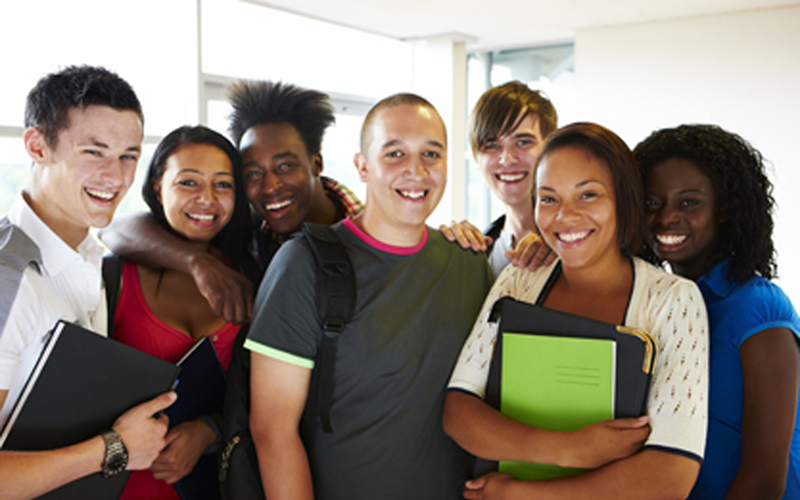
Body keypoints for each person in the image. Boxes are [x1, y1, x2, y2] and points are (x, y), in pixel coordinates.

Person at [245, 93, 493, 500]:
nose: (416, 171)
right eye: (394, 154)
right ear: (362, 166)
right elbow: (272, 430)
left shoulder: (469, 264)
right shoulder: (303, 264)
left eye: (431, 154)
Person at [444, 122, 709, 499]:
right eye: (549, 198)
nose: (565, 216)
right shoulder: (518, 281)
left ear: (624, 199)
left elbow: (671, 474)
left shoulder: (673, 300)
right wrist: (568, 448)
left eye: (587, 195)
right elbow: (459, 410)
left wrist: (523, 495)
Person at [0, 65, 175, 500]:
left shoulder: (89, 256)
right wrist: (115, 448)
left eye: (128, 156)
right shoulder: (9, 279)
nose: (115, 177)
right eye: (93, 152)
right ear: (37, 146)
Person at [100, 81, 363, 324]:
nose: (270, 186)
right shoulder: (252, 233)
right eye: (254, 174)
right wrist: (198, 263)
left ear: (316, 163)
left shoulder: (374, 232)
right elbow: (115, 229)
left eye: (284, 166)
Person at [634, 124, 800, 500]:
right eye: (652, 202)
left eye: (689, 202)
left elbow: (764, 480)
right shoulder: (654, 305)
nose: (665, 218)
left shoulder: (759, 307)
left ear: (724, 209)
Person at [108, 126, 258, 500]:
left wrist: (210, 429)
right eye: (188, 182)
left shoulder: (251, 276)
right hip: (121, 484)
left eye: (223, 185)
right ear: (159, 187)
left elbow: (266, 398)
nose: (207, 199)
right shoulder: (115, 276)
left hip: (214, 486)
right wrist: (196, 263)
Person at [440, 81, 557, 275]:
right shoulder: (478, 255)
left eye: (522, 142)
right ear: (477, 158)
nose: (507, 159)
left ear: (550, 149)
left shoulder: (581, 245)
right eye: (492, 146)